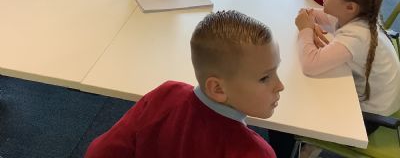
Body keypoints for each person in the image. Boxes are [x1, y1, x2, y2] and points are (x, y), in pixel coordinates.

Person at [85, 10, 284, 158]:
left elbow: (100, 151)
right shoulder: (256, 152)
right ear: (217, 88)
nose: (280, 85)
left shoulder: (166, 93)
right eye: (265, 78)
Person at [295, 0, 400, 133]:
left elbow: (310, 65)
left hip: (369, 116)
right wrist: (308, 22)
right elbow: (309, 14)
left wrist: (305, 29)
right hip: (379, 99)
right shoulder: (356, 16)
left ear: (350, 7)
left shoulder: (357, 35)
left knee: (299, 105)